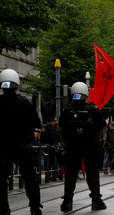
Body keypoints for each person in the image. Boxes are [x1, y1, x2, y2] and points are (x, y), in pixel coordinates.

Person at [59, 82, 107, 211]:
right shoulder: (93, 109)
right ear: (86, 93)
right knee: (92, 173)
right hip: (90, 146)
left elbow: (61, 129)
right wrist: (100, 144)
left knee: (70, 173)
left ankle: (67, 201)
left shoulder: (66, 110)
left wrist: (65, 144)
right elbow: (101, 128)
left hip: (72, 146)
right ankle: (96, 200)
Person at [0, 69, 42, 215]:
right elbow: (37, 123)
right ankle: (35, 207)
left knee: (1, 180)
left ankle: (4, 209)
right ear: (17, 85)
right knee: (30, 178)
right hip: (22, 146)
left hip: (2, 147)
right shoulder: (25, 103)